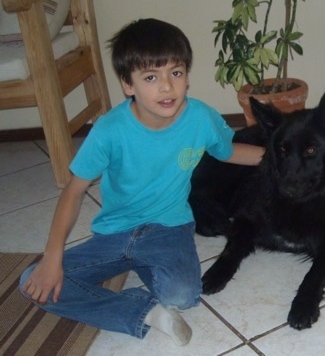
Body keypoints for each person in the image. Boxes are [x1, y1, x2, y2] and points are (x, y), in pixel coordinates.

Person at [19, 18, 264, 346]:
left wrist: (281, 158)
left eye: (175, 73)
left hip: (169, 228)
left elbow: (228, 150)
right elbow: (74, 190)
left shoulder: (201, 118)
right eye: (151, 77)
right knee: (31, 282)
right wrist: (52, 258)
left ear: (187, 76)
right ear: (128, 84)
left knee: (183, 295)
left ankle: (153, 280)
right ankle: (143, 312)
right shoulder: (109, 130)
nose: (167, 87)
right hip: (114, 232)